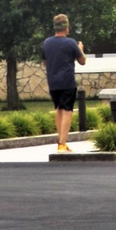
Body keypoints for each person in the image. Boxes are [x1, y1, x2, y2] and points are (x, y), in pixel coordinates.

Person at [40, 14, 86, 153]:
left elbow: (44, 62)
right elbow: (82, 61)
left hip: (53, 82)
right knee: (67, 111)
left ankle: (61, 142)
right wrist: (81, 48)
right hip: (67, 81)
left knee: (58, 109)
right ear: (66, 27)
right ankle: (62, 143)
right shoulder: (71, 43)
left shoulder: (47, 43)